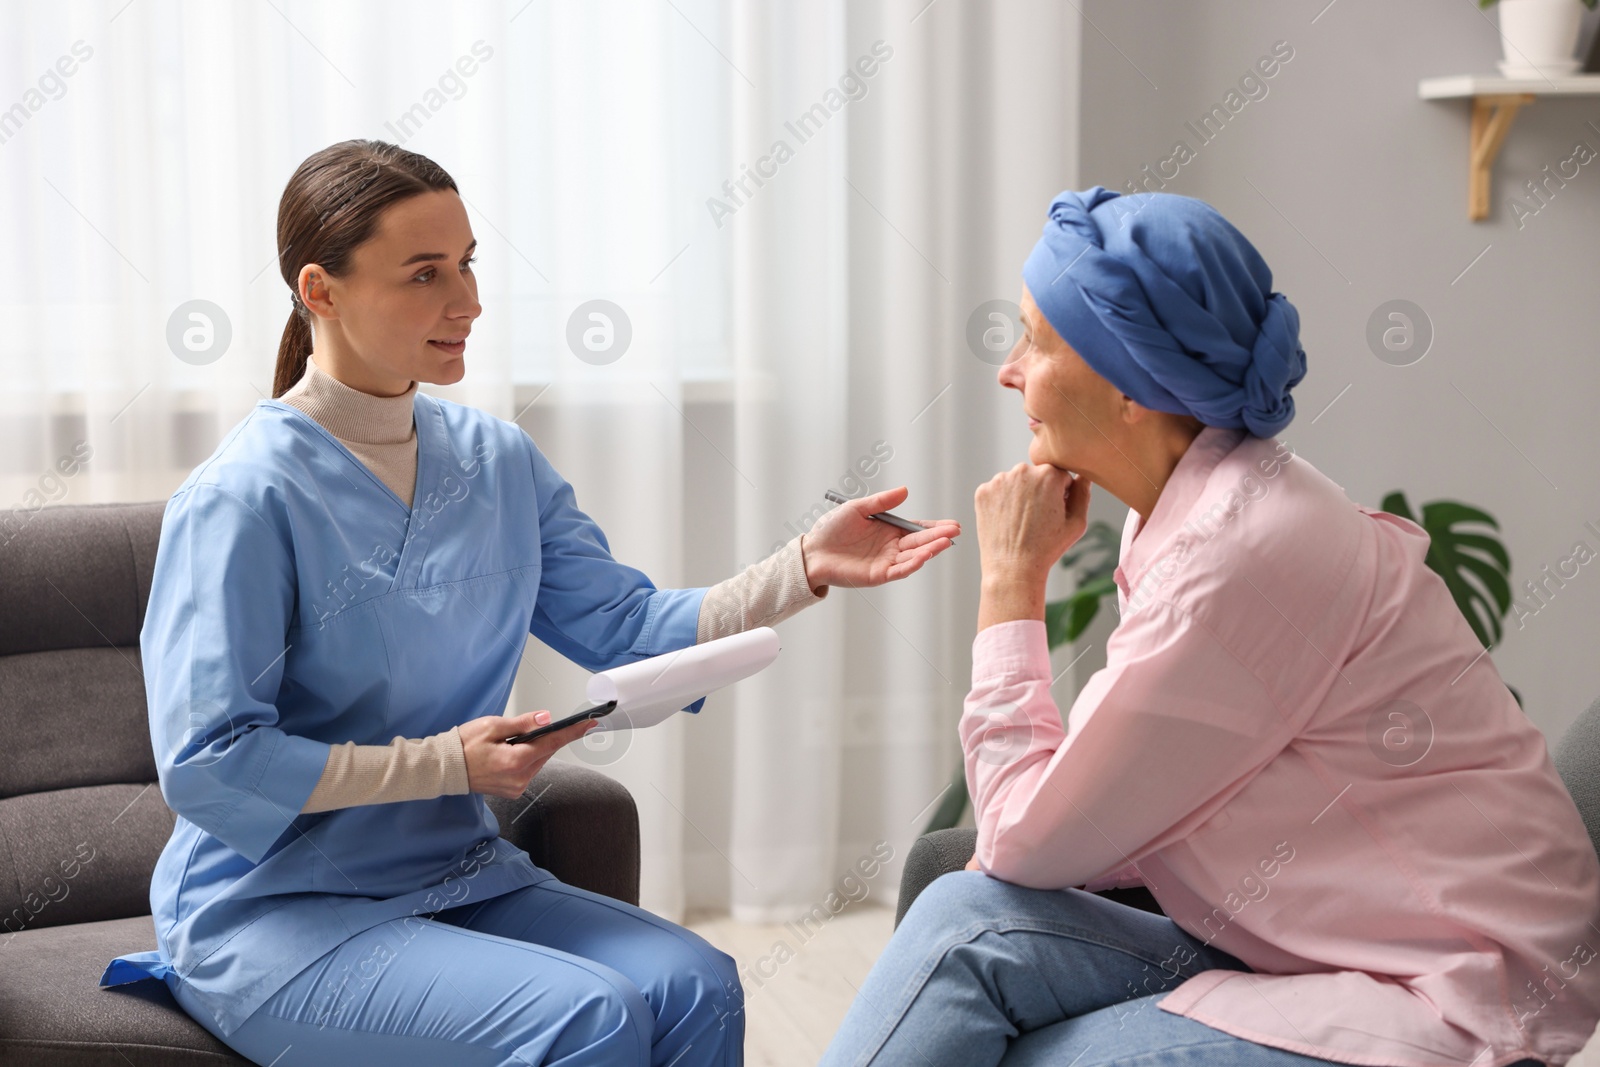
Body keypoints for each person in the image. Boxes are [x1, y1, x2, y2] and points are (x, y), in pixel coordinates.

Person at [96, 139, 961, 1067]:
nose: (466, 302)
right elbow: (210, 765)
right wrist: (442, 765)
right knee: (585, 1014)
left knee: (697, 983)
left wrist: (803, 566)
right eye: (425, 274)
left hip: (450, 875)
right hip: (270, 910)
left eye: (467, 265)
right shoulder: (243, 498)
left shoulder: (495, 462)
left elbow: (626, 627)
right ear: (321, 290)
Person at [818, 186, 1600, 1066]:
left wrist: (1011, 581)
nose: (1008, 369)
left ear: (1128, 388)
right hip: (1325, 949)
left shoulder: (1235, 556)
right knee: (964, 921)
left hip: (1454, 994)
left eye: (1035, 338)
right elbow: (1062, 832)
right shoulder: (1212, 505)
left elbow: (1015, 840)